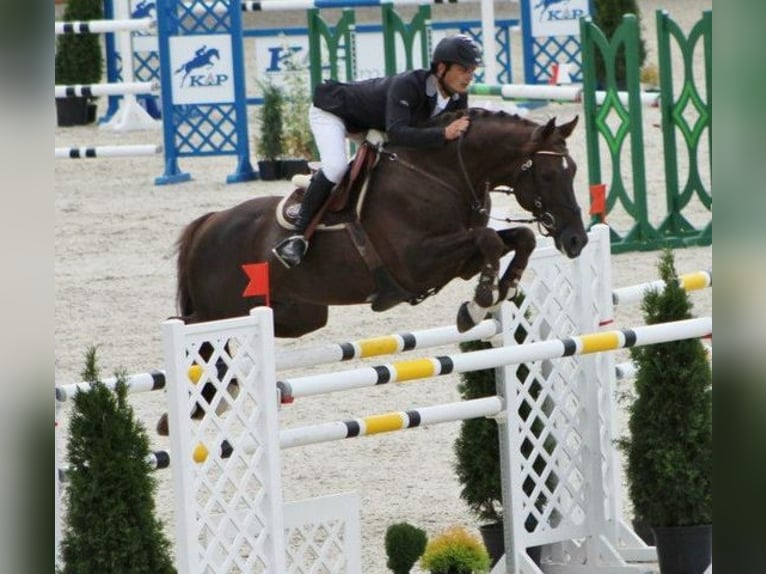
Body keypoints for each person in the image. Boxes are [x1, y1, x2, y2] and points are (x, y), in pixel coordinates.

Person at [272, 34, 483, 269]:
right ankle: (296, 237)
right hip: (334, 111)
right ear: (442, 68)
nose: (469, 77)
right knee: (336, 167)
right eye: (464, 69)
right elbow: (398, 133)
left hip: (374, 124)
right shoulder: (410, 85)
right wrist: (443, 134)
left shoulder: (457, 96)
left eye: (472, 71)